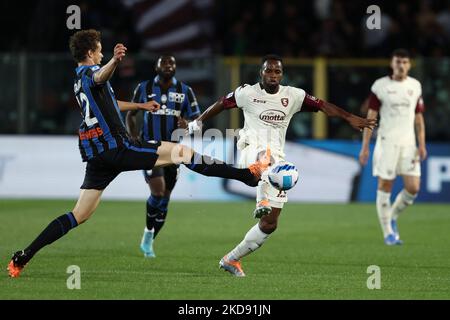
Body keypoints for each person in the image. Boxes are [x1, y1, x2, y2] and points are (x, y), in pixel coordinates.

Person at [7, 29, 267, 278]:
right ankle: (247, 175)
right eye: (99, 51)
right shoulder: (91, 72)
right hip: (116, 147)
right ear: (89, 53)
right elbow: (100, 77)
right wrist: (114, 61)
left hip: (98, 157)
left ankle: (23, 256)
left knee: (79, 214)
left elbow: (109, 101)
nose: (101, 54)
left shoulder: (77, 80)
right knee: (183, 153)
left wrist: (140, 105)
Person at [188, 54, 377, 276]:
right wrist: (198, 121)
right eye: (269, 71)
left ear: (282, 74)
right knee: (264, 157)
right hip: (250, 149)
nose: (273, 75)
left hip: (277, 158)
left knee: (270, 224)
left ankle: (232, 259)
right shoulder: (247, 93)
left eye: (277, 71)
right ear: (261, 72)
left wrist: (350, 117)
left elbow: (323, 106)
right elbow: (221, 103)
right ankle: (262, 200)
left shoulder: (293, 96)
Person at [126, 54, 200, 258]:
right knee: (157, 192)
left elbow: (198, 121)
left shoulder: (186, 91)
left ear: (175, 68)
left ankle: (148, 237)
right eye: (164, 63)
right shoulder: (144, 88)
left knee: (165, 199)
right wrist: (133, 138)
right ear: (156, 67)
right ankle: (149, 232)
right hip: (149, 148)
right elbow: (131, 113)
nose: (168, 66)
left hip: (173, 150)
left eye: (171, 63)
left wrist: (188, 125)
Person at [359, 49, 427, 245]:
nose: (401, 65)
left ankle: (393, 216)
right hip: (387, 142)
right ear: (392, 63)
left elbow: (419, 118)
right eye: (398, 61)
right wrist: (365, 147)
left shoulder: (415, 86)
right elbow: (371, 118)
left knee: (413, 188)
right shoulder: (380, 86)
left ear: (409, 65)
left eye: (405, 62)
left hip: (409, 144)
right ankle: (388, 232)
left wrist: (421, 144)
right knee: (385, 185)